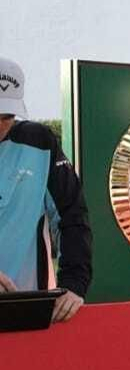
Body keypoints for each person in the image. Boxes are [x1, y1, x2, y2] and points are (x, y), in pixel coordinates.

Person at [0, 56, 90, 321]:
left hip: (27, 307)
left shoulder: (40, 143)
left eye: (7, 116)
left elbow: (72, 215)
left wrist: (74, 283)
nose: (0, 125)